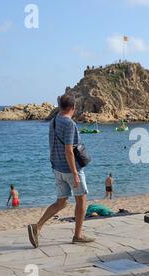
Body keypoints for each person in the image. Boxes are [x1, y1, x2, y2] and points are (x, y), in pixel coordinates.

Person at [27, 94, 94, 248]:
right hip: (70, 169)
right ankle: (77, 235)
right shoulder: (69, 123)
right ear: (73, 108)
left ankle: (37, 227)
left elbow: (54, 146)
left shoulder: (54, 121)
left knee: (61, 202)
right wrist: (75, 173)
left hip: (57, 168)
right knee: (81, 199)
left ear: (60, 107)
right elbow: (69, 151)